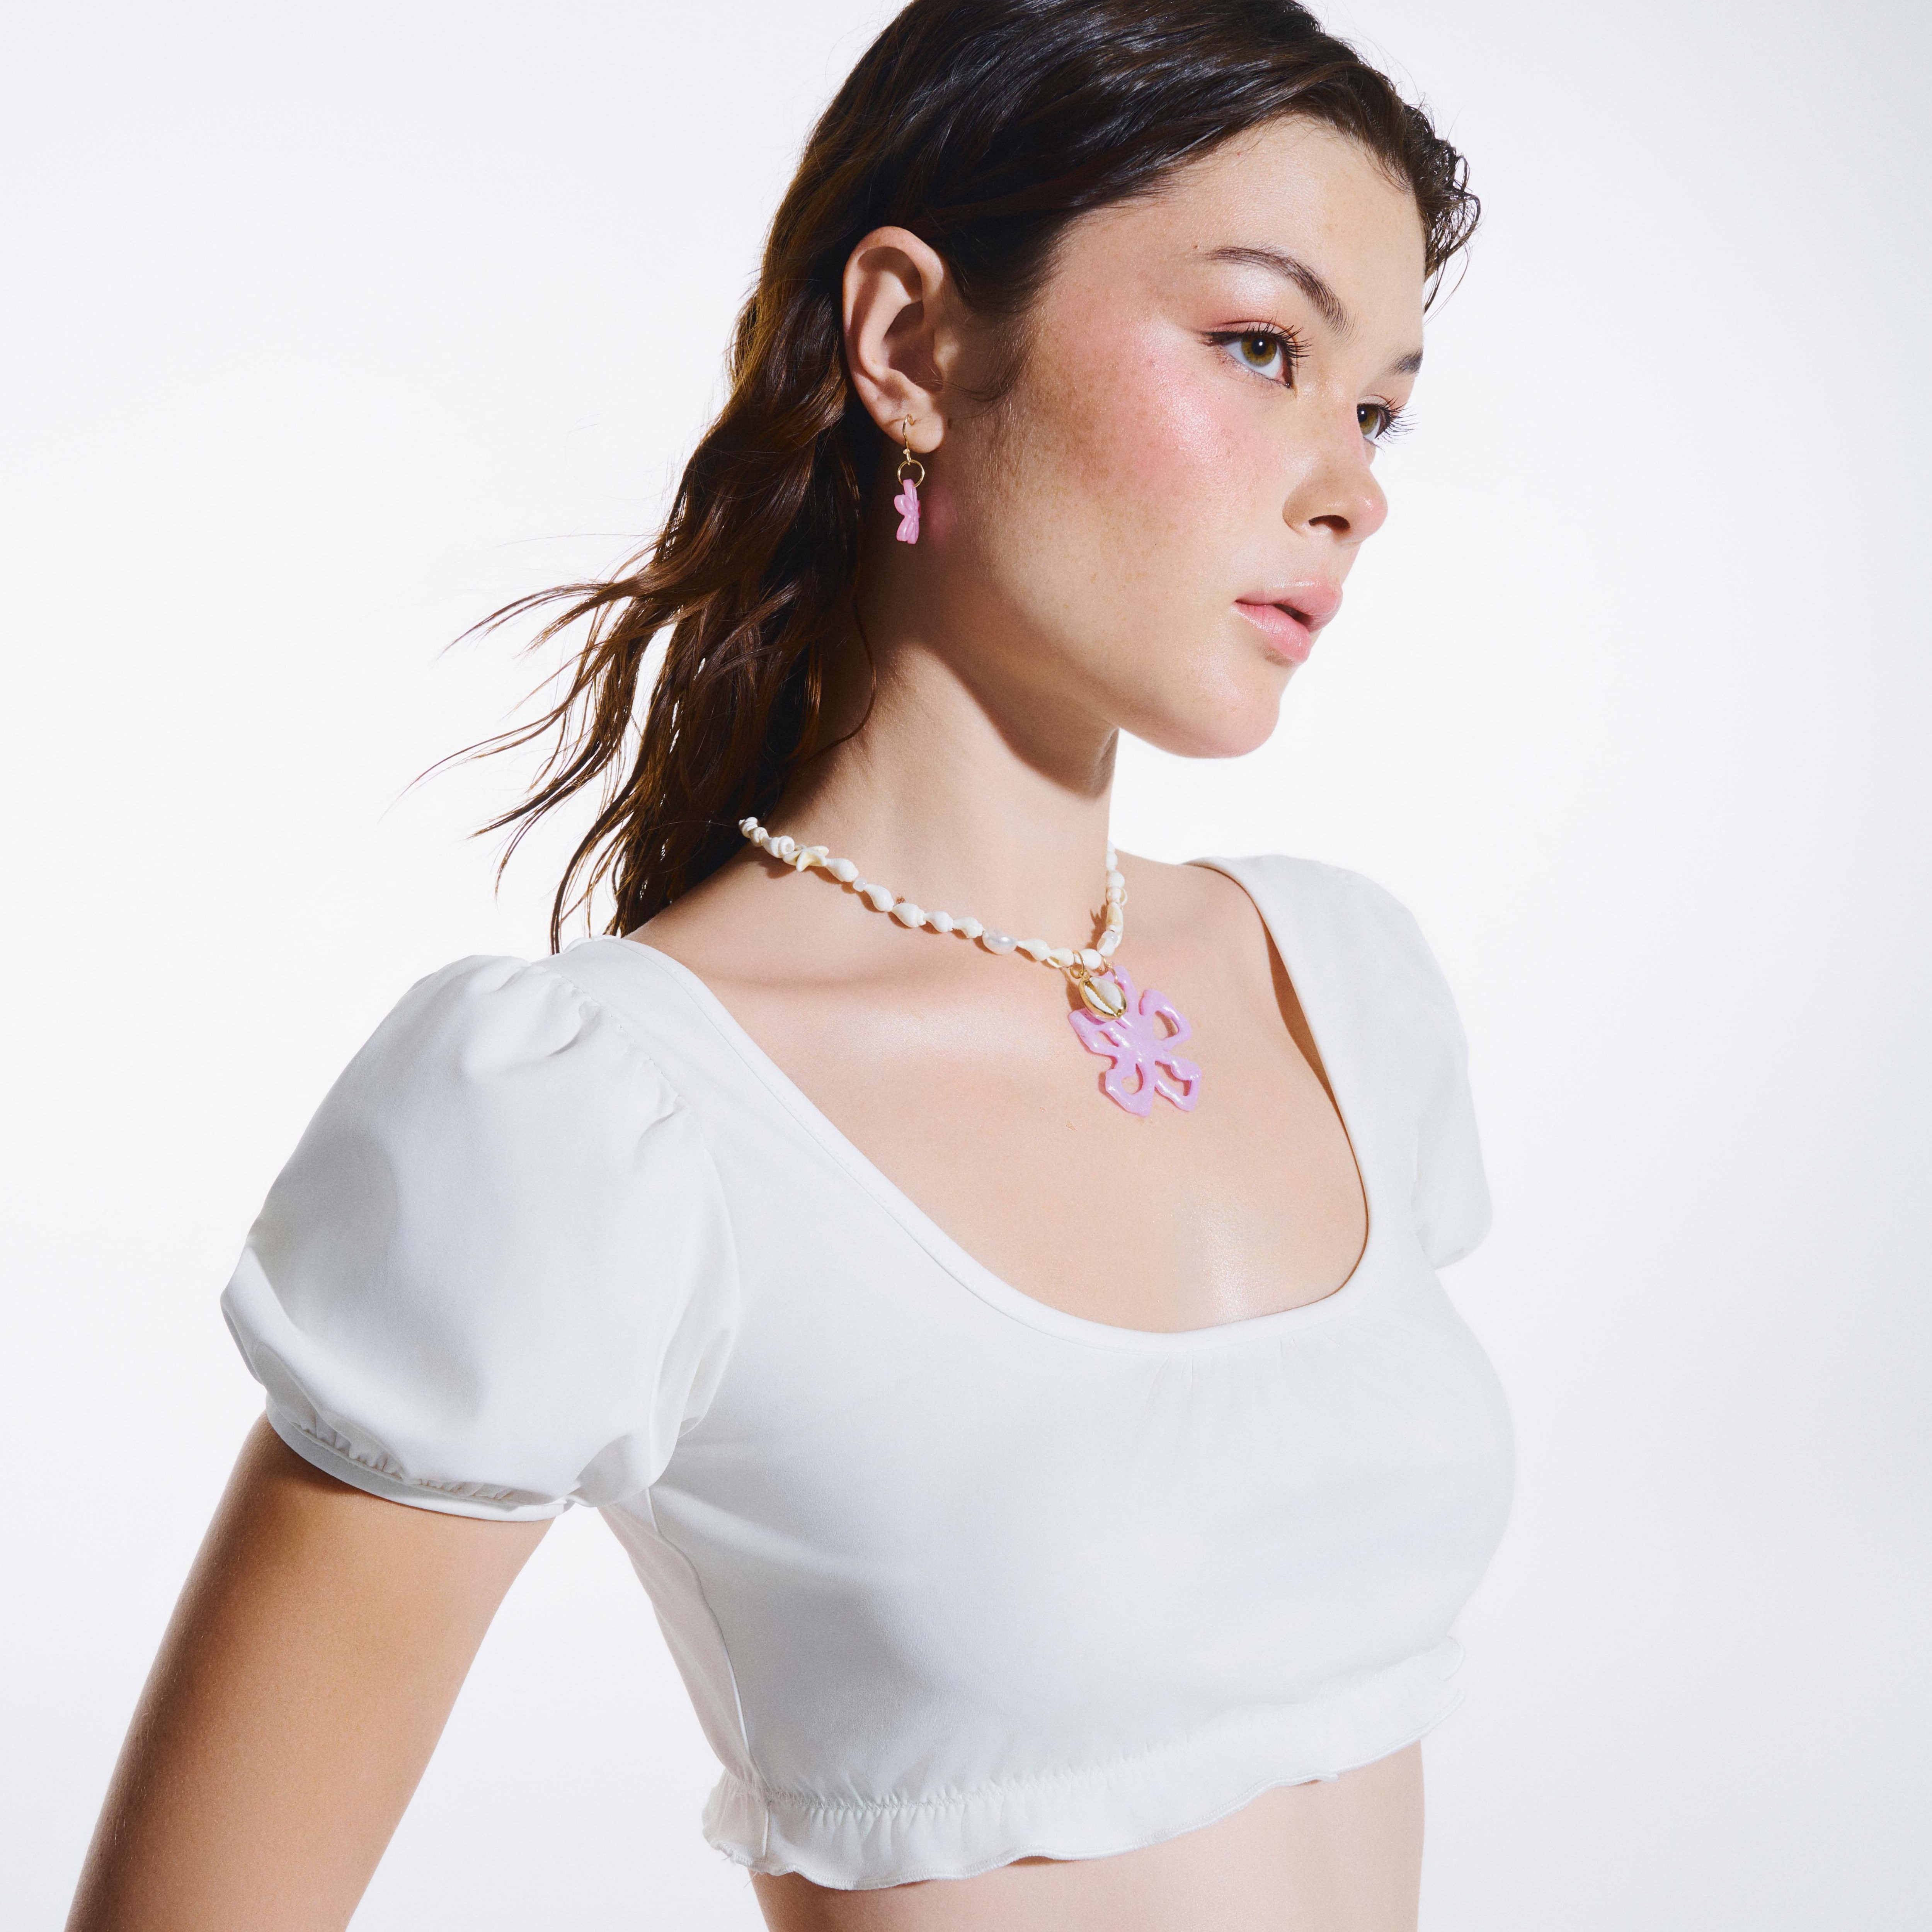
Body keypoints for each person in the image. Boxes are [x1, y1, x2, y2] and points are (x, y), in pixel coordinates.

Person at [65, 3, 1513, 1927]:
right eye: (1260, 346)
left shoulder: (1339, 989)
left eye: (1377, 406)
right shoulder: (603, 1122)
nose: (1352, 487)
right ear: (907, 343)